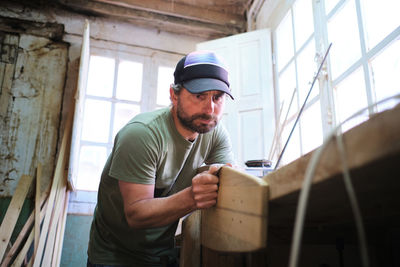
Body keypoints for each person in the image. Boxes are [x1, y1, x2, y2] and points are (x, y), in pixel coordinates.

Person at [87, 50, 235, 267]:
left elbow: (227, 179)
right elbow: (136, 214)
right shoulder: (142, 134)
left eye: (217, 97)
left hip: (163, 254)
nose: (210, 108)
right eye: (199, 95)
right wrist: (193, 197)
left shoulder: (215, 132)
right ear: (174, 95)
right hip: (114, 256)